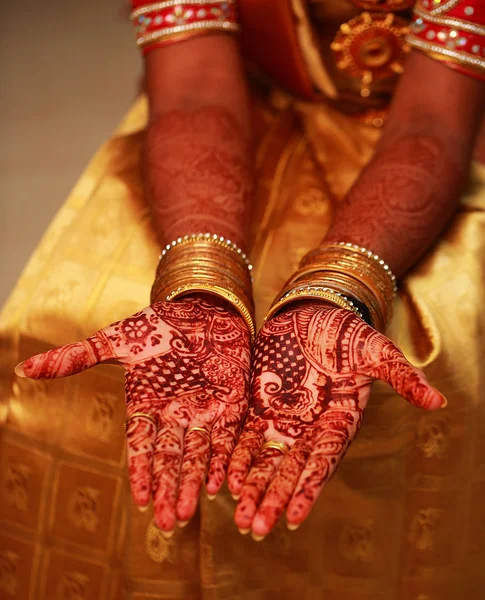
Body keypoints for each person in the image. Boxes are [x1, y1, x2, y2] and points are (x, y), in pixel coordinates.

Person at [2, 0, 484, 598]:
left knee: (433, 361)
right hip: (236, 106)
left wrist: (337, 290)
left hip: (449, 137)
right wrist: (200, 284)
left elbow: (432, 124)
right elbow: (193, 86)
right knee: (80, 320)